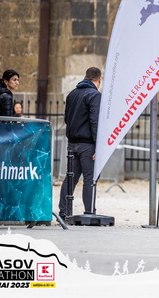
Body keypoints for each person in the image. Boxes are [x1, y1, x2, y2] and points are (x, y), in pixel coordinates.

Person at [58, 67, 102, 220]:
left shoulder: (72, 94)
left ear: (85, 77)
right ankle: (89, 212)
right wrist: (98, 145)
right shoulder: (94, 95)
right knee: (90, 178)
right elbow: (95, 121)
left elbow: (66, 118)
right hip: (87, 143)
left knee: (70, 178)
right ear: (99, 80)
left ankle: (64, 212)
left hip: (72, 142)